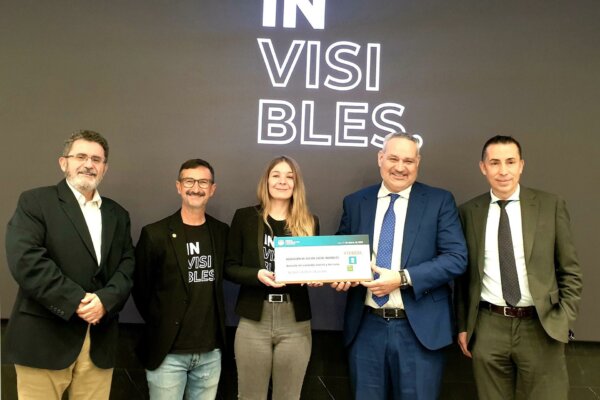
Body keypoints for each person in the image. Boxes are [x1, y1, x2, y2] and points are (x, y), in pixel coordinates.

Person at [332, 132, 467, 400]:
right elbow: (341, 253)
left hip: (418, 332)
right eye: (393, 158)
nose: (400, 167)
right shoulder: (356, 202)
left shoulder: (439, 201)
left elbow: (456, 258)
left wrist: (402, 278)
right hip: (366, 328)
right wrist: (339, 276)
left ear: (418, 162)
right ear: (380, 158)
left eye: (408, 160)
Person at [3, 130, 135, 399]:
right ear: (63, 162)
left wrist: (105, 301)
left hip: (99, 343)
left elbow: (127, 265)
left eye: (96, 159)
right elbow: (26, 261)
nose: (89, 164)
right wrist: (76, 300)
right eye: (81, 156)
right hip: (43, 340)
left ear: (105, 168)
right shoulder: (35, 202)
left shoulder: (118, 214)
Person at [454, 135, 583, 400]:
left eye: (510, 162)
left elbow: (570, 270)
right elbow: (463, 278)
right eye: (495, 163)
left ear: (521, 165)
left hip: (541, 326)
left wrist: (562, 320)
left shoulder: (550, 205)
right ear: (483, 167)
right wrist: (464, 326)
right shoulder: (468, 212)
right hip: (488, 326)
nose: (503, 171)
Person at [132, 159, 229, 399]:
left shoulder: (221, 232)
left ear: (212, 189)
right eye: (189, 181)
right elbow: (141, 289)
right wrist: (162, 322)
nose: (196, 188)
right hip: (168, 353)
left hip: (210, 352)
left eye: (203, 182)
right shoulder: (155, 234)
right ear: (178, 186)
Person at [225, 155, 319, 400]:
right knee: (250, 396)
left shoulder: (309, 222)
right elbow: (230, 267)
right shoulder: (245, 217)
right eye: (276, 175)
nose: (282, 181)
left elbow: (314, 267)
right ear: (266, 181)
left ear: (297, 183)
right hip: (254, 318)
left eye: (290, 176)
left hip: (295, 320)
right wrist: (257, 275)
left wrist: (318, 277)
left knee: (288, 396)